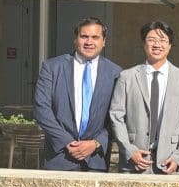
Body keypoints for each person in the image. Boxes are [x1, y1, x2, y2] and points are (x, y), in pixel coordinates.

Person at [34, 17, 122, 171]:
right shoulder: (52, 67)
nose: (89, 42)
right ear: (75, 39)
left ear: (104, 41)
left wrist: (96, 143)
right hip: (59, 157)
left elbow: (117, 116)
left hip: (96, 159)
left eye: (95, 37)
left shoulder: (116, 73)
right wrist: (67, 141)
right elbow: (41, 109)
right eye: (84, 36)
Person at [109, 21, 179, 174]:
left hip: (169, 161)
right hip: (134, 160)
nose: (157, 45)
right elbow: (116, 115)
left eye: (162, 40)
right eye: (151, 40)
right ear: (144, 44)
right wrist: (129, 150)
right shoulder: (127, 77)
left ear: (170, 45)